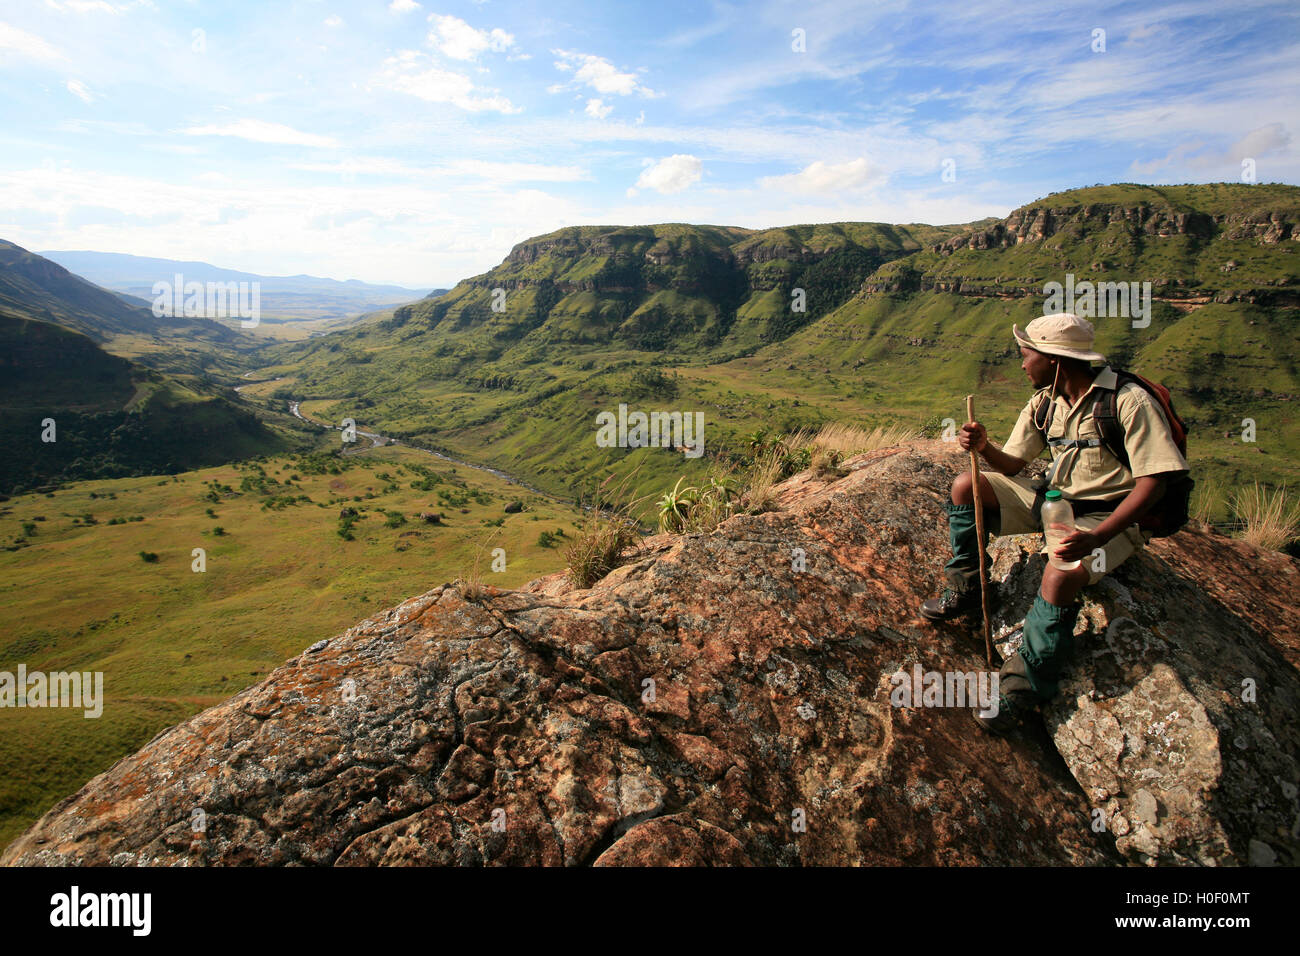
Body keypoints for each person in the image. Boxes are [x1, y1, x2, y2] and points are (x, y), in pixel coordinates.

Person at [920, 313, 1189, 735]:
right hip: (1054, 502)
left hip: (1108, 517)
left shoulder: (1128, 401)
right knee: (964, 486)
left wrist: (1097, 536)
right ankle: (968, 588)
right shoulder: (1046, 402)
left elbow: (1155, 482)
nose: (1023, 364)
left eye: (1027, 356)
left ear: (1054, 359)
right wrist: (984, 447)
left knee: (1059, 575)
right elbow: (1015, 464)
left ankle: (1024, 687)